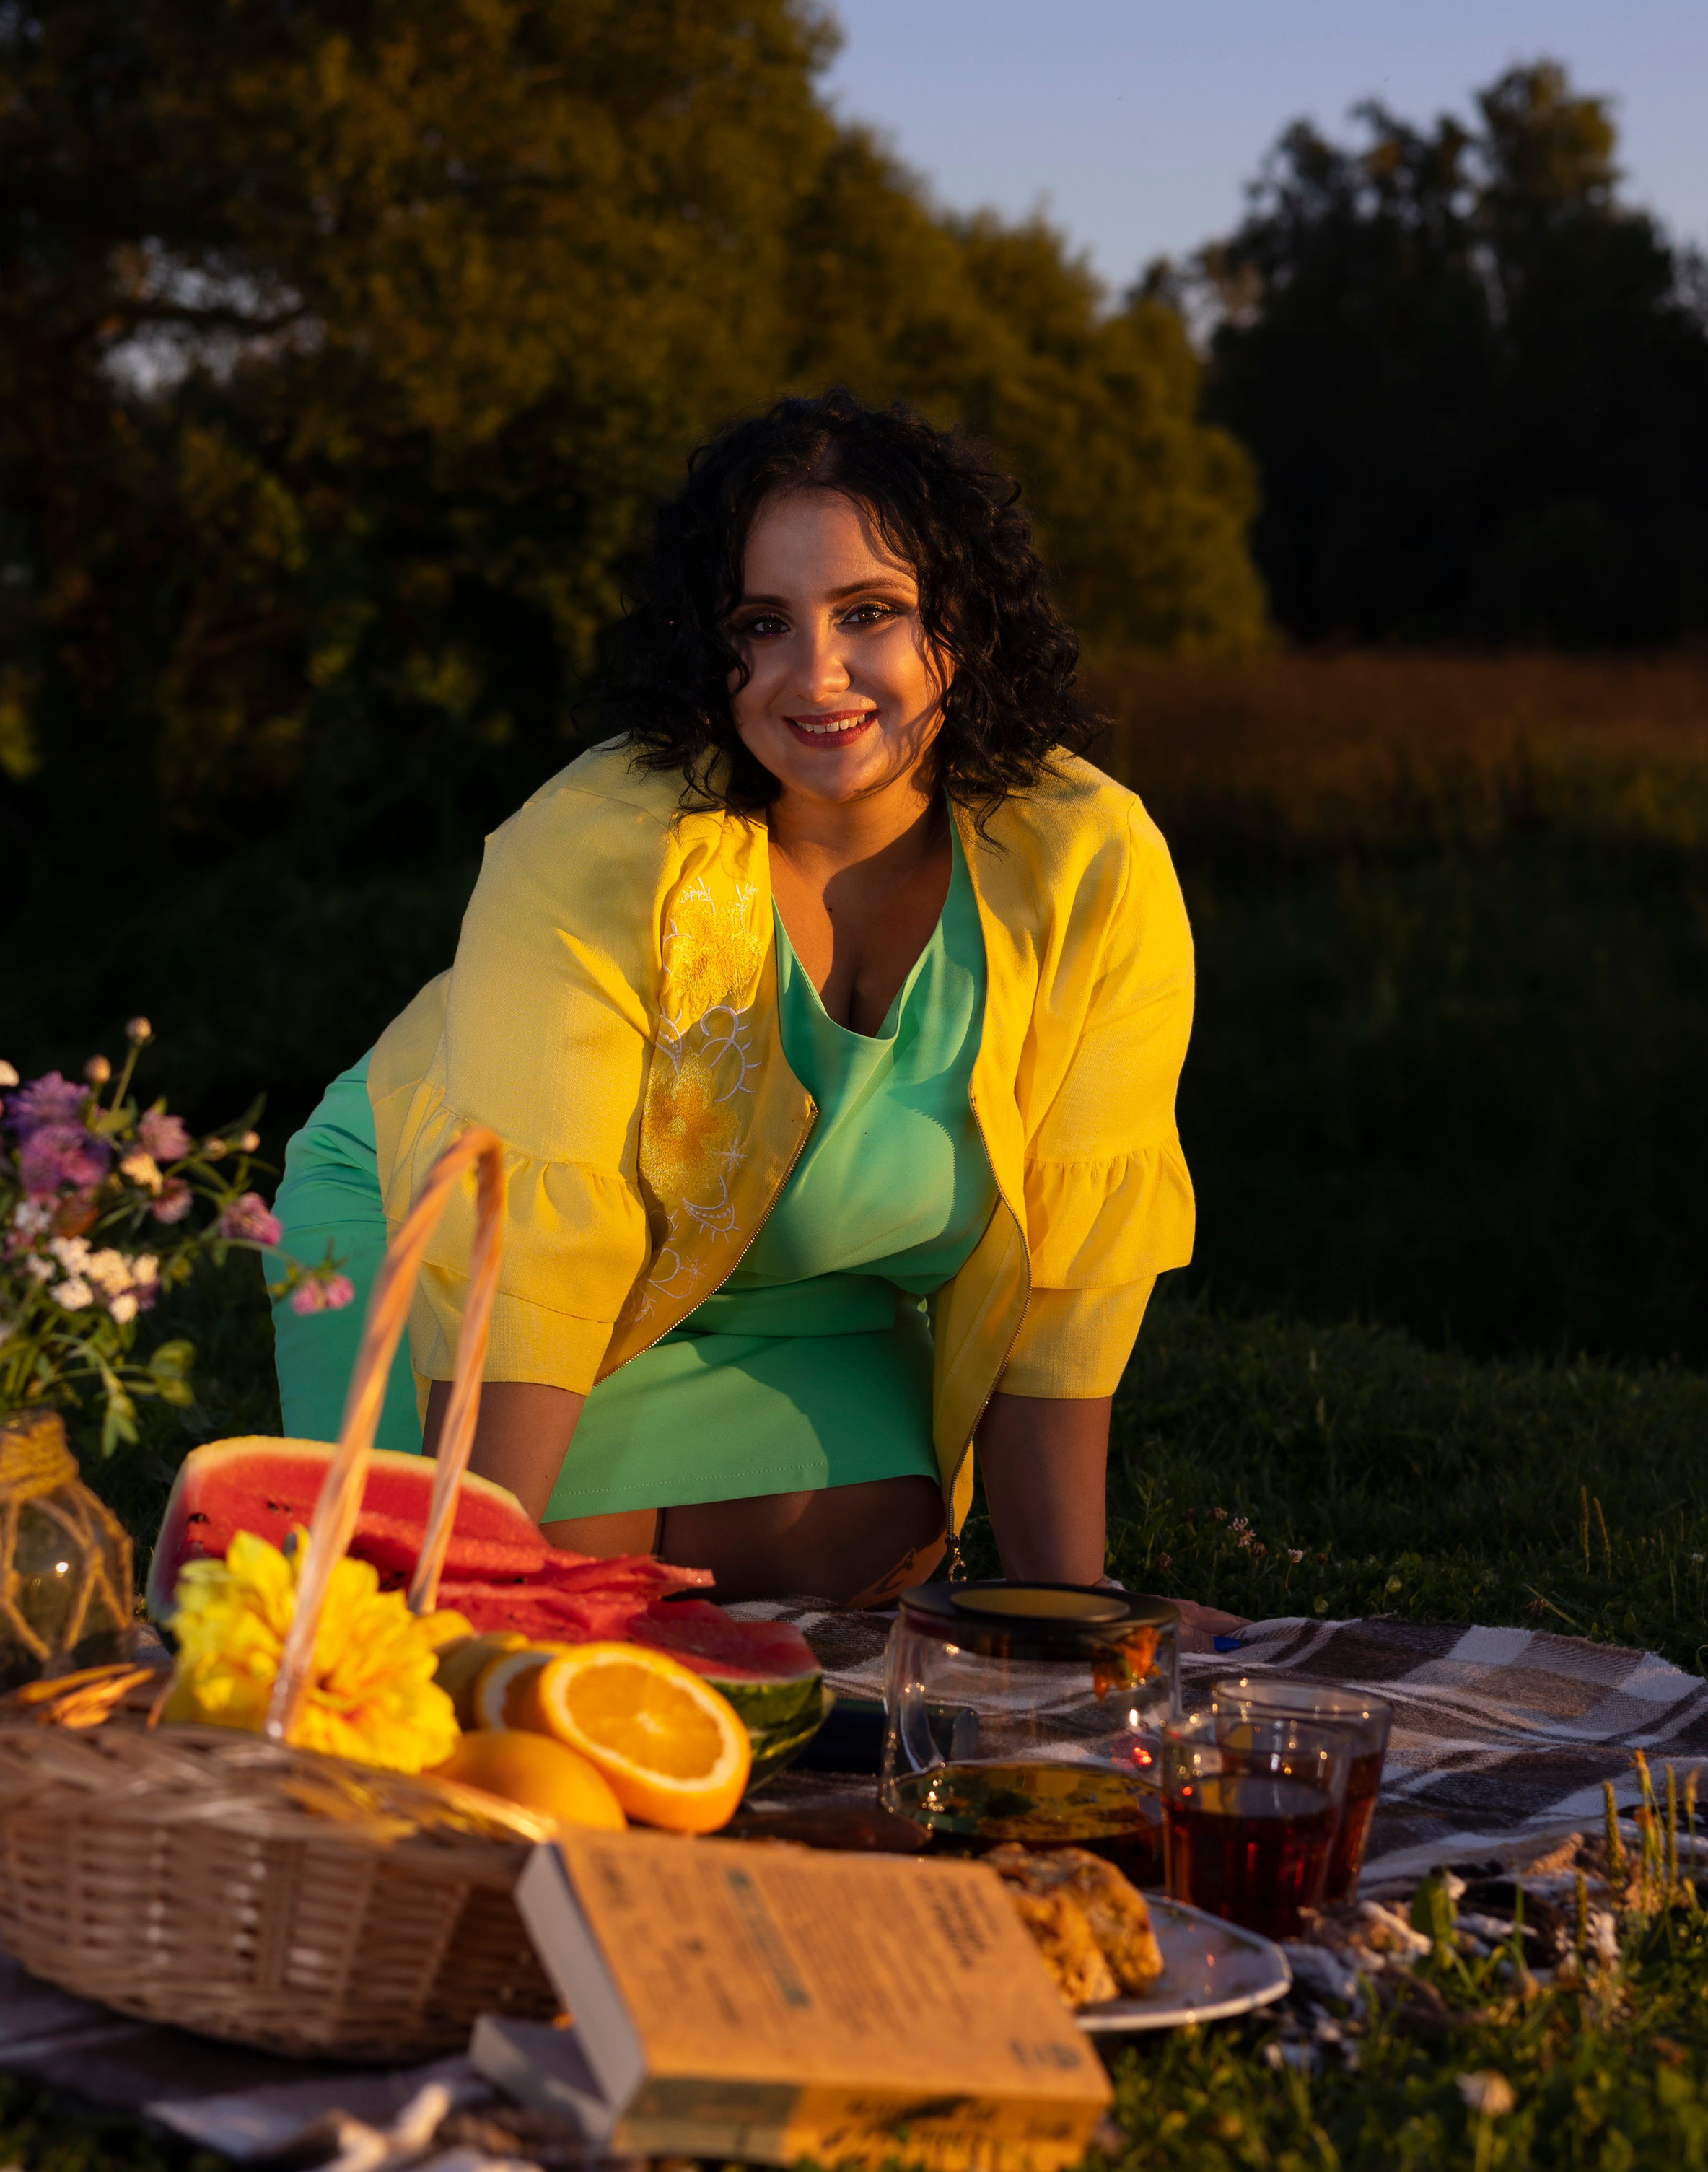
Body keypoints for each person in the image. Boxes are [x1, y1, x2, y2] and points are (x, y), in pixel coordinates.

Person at [269, 392, 1196, 1606]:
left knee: (881, 1536)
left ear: (959, 627)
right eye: (763, 623)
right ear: (711, 647)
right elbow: (528, 1243)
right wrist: (467, 1606)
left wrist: (1073, 1632)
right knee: (508, 1590)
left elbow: (1065, 1284)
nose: (816, 676)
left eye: (870, 613)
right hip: (441, 1222)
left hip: (803, 1298)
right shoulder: (597, 842)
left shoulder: (1091, 863)